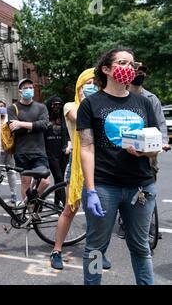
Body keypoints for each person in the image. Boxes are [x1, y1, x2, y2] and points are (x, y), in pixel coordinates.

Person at [77, 48, 159, 285]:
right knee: (95, 248)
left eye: (132, 64)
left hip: (140, 186)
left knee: (141, 247)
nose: (129, 68)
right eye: (123, 63)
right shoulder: (91, 104)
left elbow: (153, 145)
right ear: (106, 69)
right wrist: (90, 190)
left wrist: (146, 151)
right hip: (104, 187)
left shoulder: (143, 102)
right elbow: (87, 148)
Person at [49, 68, 110, 270]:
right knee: (70, 209)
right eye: (87, 83)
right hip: (76, 166)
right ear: (79, 86)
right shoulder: (70, 106)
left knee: (99, 213)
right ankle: (56, 250)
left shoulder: (104, 106)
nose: (91, 86)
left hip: (99, 166)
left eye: (95, 83)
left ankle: (98, 253)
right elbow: (83, 118)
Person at [116, 63, 170, 240]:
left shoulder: (151, 98)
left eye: (142, 72)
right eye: (136, 71)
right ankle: (124, 220)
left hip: (148, 149)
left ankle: (146, 222)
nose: (140, 74)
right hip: (126, 147)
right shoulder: (121, 95)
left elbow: (161, 123)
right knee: (125, 185)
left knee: (148, 186)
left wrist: (163, 142)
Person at [7, 78, 50, 205]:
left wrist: (20, 123)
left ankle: (31, 201)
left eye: (31, 87)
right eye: (26, 88)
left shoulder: (41, 107)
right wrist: (33, 127)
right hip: (21, 152)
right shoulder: (12, 108)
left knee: (45, 181)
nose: (29, 90)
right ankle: (28, 210)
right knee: (25, 182)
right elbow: (15, 130)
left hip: (39, 151)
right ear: (20, 91)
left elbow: (44, 125)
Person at [44, 96, 68, 206]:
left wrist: (69, 145)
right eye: (54, 104)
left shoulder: (64, 119)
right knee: (58, 177)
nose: (57, 106)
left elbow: (69, 134)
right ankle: (64, 203)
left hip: (63, 152)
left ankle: (57, 202)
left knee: (60, 178)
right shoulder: (45, 118)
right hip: (50, 152)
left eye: (59, 104)